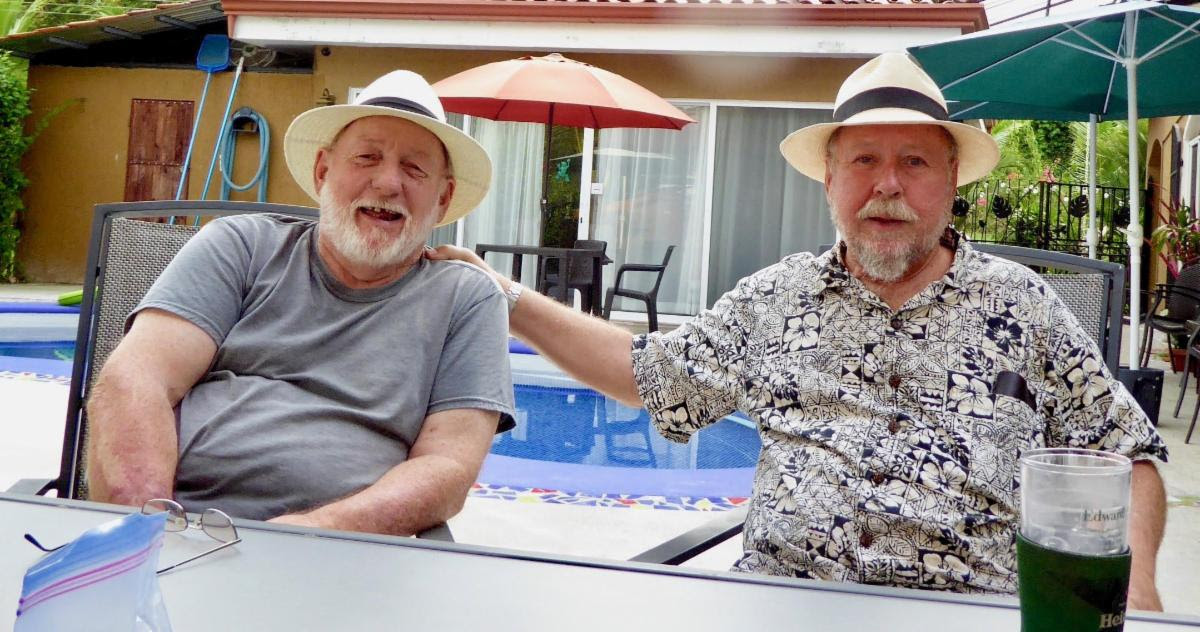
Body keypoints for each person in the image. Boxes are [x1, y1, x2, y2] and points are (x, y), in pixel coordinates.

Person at [429, 52, 1169, 607]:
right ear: (830, 180)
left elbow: (1125, 454)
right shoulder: (775, 298)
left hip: (962, 611)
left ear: (951, 180)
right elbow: (648, 374)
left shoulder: (1027, 307)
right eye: (864, 161)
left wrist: (1138, 600)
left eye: (913, 161)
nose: (888, 184)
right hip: (782, 603)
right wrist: (507, 297)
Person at [86, 70, 514, 536]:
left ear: (444, 199)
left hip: (341, 554)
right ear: (323, 171)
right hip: (175, 524)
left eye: (415, 169)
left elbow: (447, 468)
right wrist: (150, 532)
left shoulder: (466, 299)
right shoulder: (241, 246)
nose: (388, 183)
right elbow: (135, 379)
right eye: (367, 157)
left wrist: (300, 537)